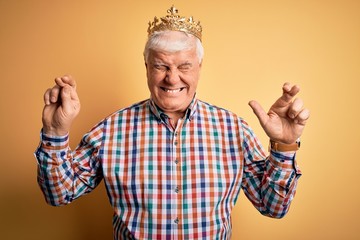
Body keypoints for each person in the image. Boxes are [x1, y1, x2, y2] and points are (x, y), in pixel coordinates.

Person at [35, 6, 310, 240]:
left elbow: (273, 207)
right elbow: (58, 194)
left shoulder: (233, 129)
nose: (172, 78)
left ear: (199, 67)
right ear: (146, 67)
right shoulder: (111, 130)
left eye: (184, 66)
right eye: (161, 66)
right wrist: (55, 132)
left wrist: (284, 145)